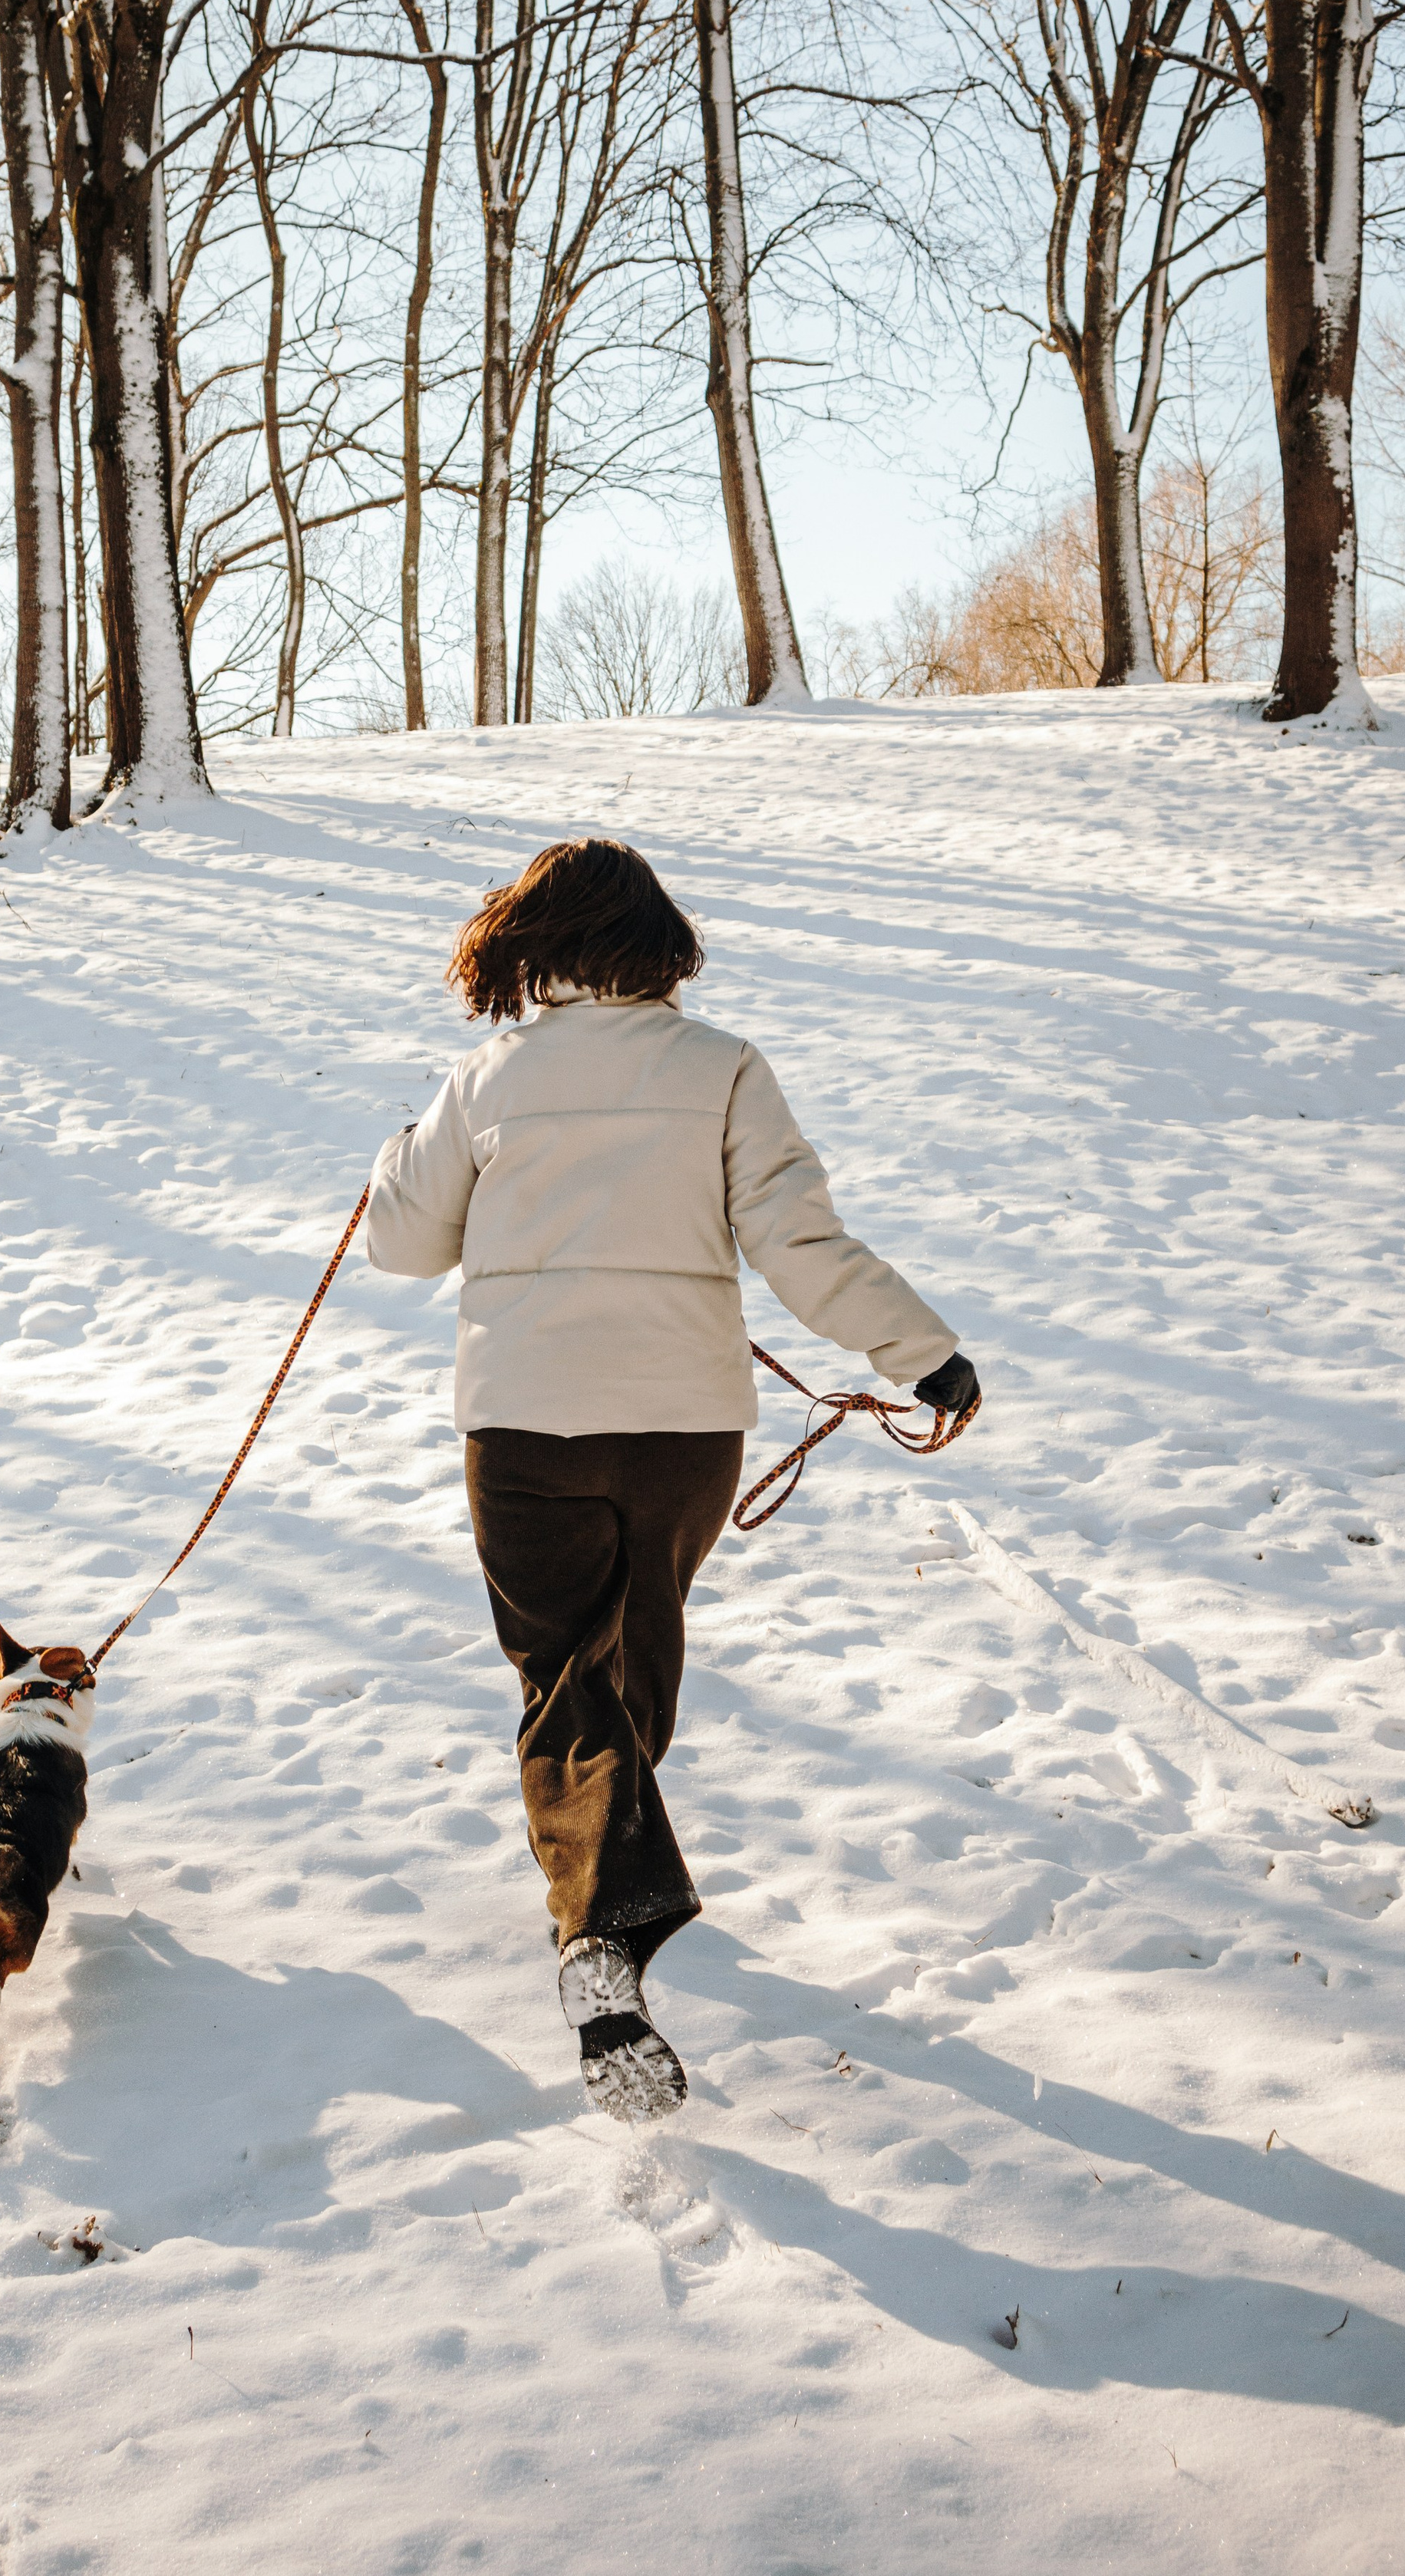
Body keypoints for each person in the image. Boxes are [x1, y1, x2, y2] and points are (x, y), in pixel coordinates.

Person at [365, 840, 977, 2123]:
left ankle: (598, 1925)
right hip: (683, 1429)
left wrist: (400, 1157)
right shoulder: (724, 1071)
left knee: (564, 1676)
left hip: (526, 1428)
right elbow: (799, 1241)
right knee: (630, 1666)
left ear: (535, 943)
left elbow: (402, 1247)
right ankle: (611, 1910)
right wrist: (924, 1354)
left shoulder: (487, 1078)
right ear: (660, 947)